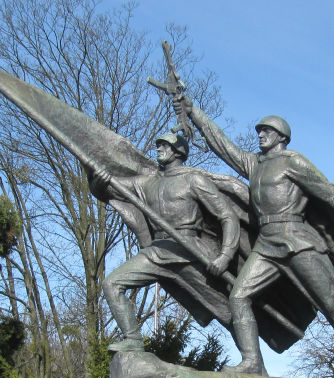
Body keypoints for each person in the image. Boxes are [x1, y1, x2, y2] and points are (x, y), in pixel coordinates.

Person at [176, 98, 334, 378]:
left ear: (281, 137)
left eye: (266, 131)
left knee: (331, 306)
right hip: (267, 244)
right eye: (259, 131)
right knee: (238, 296)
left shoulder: (293, 161)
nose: (260, 135)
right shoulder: (254, 164)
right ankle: (251, 362)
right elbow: (223, 145)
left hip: (299, 242)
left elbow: (331, 194)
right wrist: (193, 112)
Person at [94, 132, 240, 352]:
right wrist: (100, 178)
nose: (159, 148)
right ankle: (133, 340)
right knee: (112, 284)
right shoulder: (146, 183)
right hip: (158, 249)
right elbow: (109, 188)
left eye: (165, 145)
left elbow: (227, 216)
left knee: (224, 309)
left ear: (178, 151)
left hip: (188, 250)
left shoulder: (194, 180)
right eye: (159, 144)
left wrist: (225, 256)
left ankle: (252, 360)